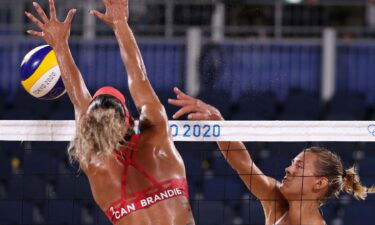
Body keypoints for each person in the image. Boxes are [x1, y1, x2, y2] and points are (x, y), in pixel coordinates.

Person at [25, 1, 194, 224]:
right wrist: (120, 23)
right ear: (129, 116)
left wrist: (60, 46)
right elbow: (139, 76)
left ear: (91, 128)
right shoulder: (157, 140)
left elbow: (79, 100)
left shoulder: (96, 166)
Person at [168, 87, 375, 225]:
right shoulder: (275, 200)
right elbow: (242, 163)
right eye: (292, 163)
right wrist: (220, 123)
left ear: (320, 183)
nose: (288, 169)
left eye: (299, 166)